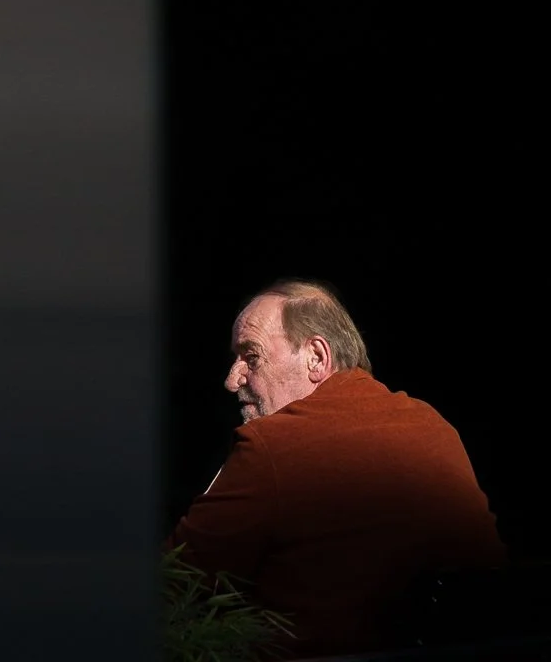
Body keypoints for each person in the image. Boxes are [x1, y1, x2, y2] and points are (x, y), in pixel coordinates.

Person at [171, 280, 504, 656]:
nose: (232, 380)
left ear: (316, 357)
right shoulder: (436, 426)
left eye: (251, 357)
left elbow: (175, 586)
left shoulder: (270, 446)